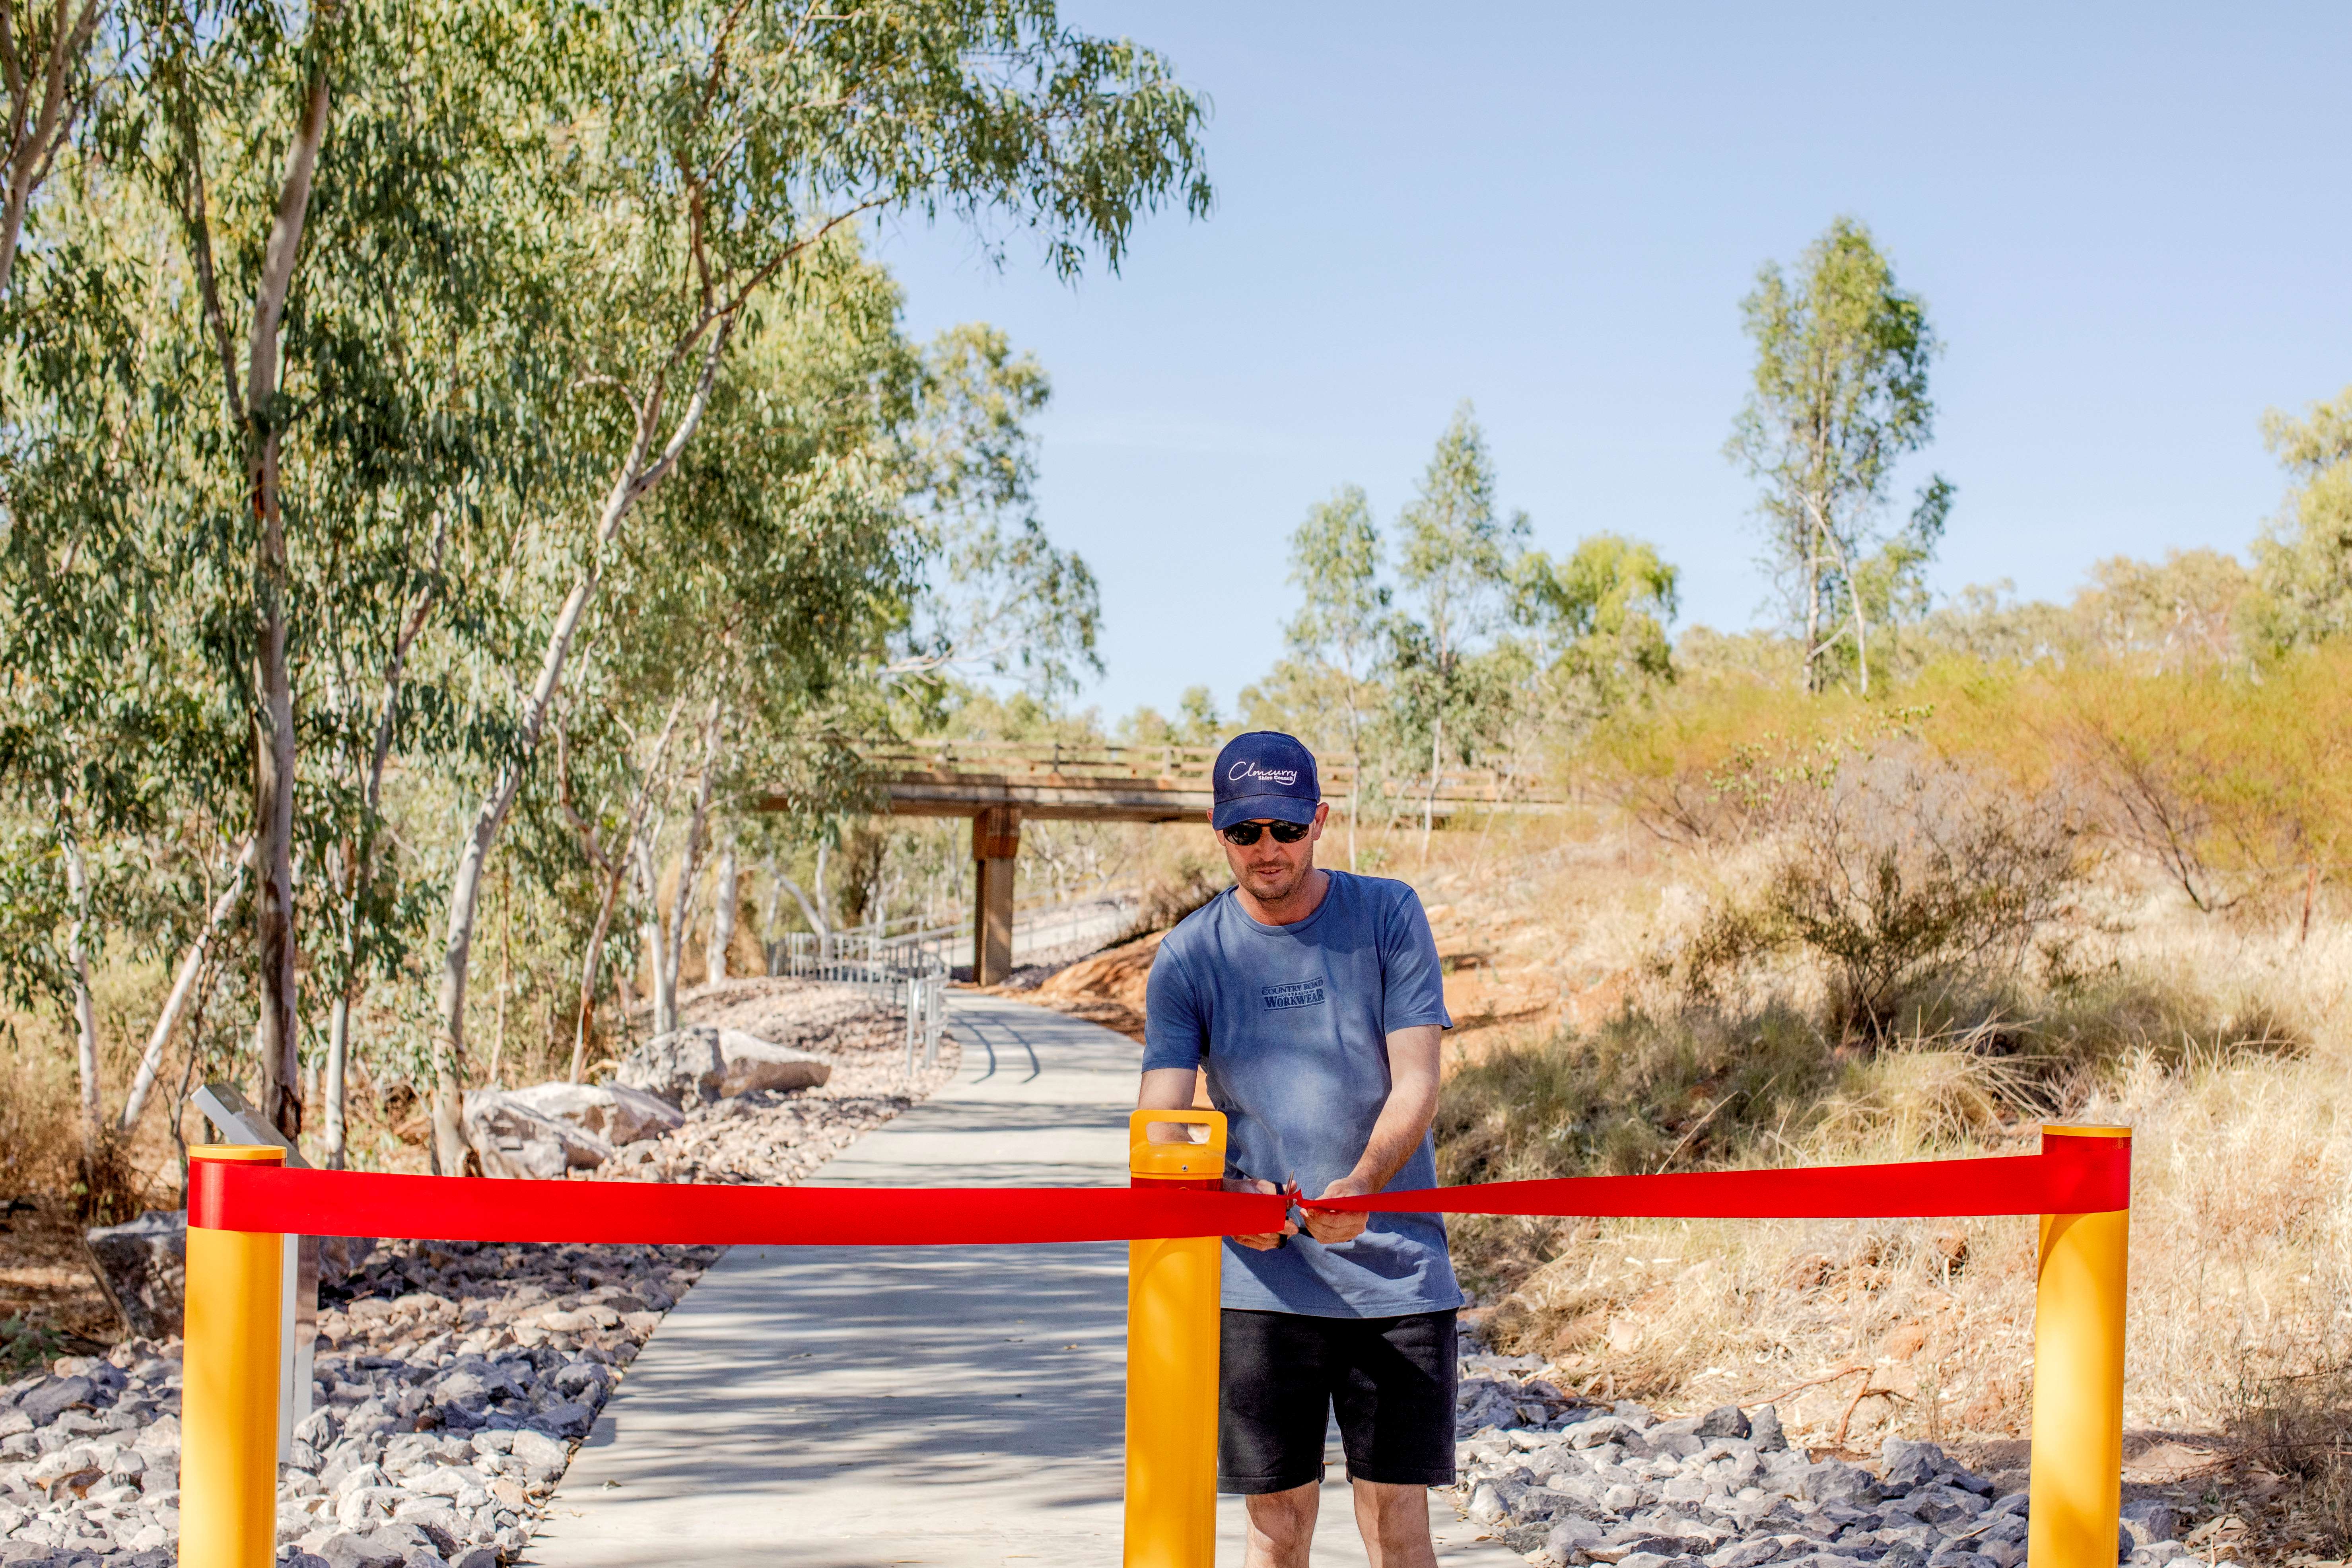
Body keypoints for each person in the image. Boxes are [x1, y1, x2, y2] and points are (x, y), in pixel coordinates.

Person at [1138, 730, 1460, 1568]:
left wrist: (1362, 1181)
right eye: (1245, 833)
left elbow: (1417, 1080)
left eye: (1284, 827)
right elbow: (1158, 1125)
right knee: (1274, 1530)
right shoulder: (1188, 956)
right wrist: (1222, 1196)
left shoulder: (1388, 915)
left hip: (1396, 1272)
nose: (1266, 849)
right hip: (1258, 1288)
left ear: (1318, 819)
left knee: (1396, 1523)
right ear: (1219, 831)